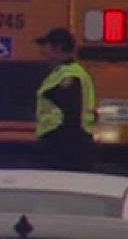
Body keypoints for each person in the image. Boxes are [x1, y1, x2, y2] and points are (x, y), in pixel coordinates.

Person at [33, 27, 96, 170]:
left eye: (46, 46)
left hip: (65, 144)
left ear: (58, 48)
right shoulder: (61, 73)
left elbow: (71, 113)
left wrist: (60, 145)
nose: (43, 51)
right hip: (64, 141)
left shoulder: (70, 75)